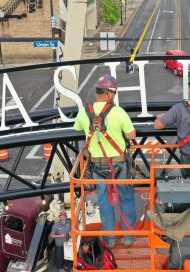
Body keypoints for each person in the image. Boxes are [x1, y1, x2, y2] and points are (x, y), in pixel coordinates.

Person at [74, 75, 137, 249]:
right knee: (125, 197)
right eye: (114, 92)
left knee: (104, 200)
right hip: (118, 164)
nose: (115, 96)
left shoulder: (85, 111)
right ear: (108, 94)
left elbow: (78, 127)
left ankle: (109, 239)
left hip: (98, 165)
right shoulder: (118, 112)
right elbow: (131, 135)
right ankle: (128, 236)